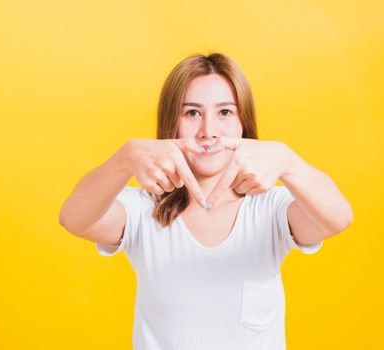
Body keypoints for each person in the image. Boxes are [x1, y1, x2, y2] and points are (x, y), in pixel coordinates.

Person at [58, 52, 353, 350]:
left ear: (243, 123)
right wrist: (123, 160)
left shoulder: (270, 208)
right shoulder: (144, 209)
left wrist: (289, 162)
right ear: (171, 122)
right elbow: (73, 218)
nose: (208, 132)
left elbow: (338, 218)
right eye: (192, 113)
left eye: (225, 112)